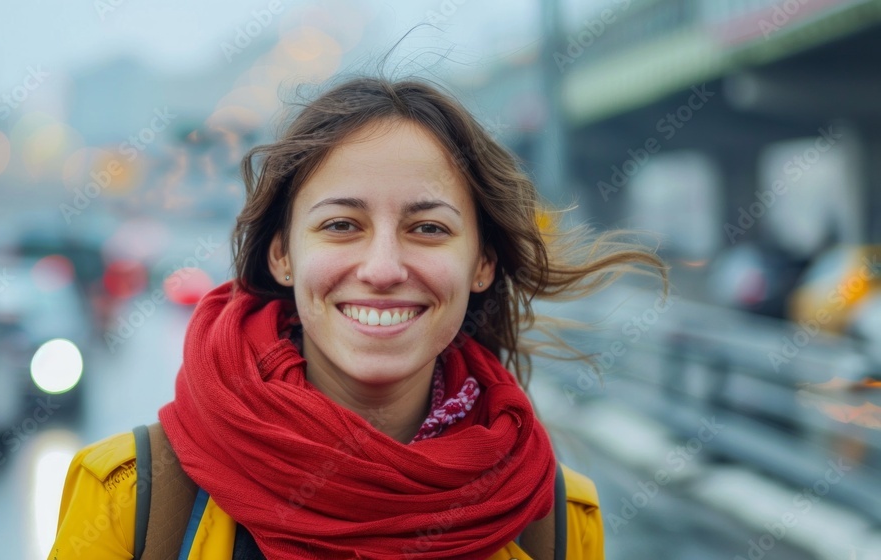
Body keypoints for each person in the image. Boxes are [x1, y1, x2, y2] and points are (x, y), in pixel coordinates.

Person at [48, 75, 665, 559]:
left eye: (428, 228)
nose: (383, 267)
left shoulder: (553, 518)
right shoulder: (131, 500)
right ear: (284, 254)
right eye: (342, 225)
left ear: (483, 262)